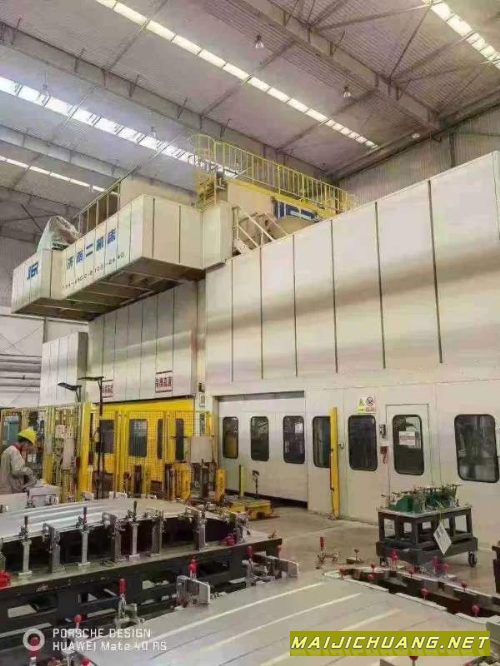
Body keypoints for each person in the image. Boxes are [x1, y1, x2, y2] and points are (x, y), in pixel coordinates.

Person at [0, 428, 37, 494]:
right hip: (9, 490)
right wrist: (28, 471)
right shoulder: (14, 451)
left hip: (5, 488)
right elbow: (16, 471)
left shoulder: (10, 450)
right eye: (29, 446)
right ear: (26, 442)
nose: (28, 448)